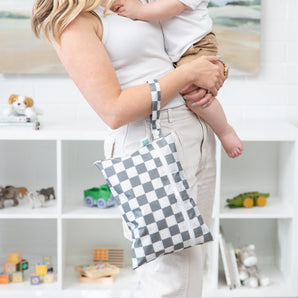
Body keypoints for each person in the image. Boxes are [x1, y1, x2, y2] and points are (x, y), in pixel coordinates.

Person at [31, 0, 225, 297]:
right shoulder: (72, 22)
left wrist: (207, 71)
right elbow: (113, 110)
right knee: (169, 274)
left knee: (191, 261)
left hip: (193, 128)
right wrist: (188, 75)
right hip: (150, 139)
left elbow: (175, 51)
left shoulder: (126, 3)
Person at [114, 0, 243, 158]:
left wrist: (139, 11)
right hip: (178, 54)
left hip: (196, 45)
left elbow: (174, 7)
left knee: (196, 97)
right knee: (189, 91)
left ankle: (224, 131)